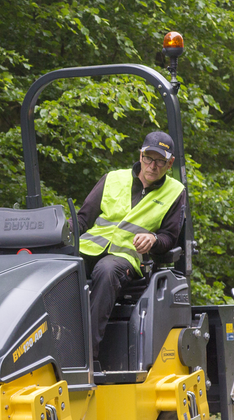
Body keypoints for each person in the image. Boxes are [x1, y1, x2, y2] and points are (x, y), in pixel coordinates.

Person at [76, 130, 186, 360]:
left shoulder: (175, 192)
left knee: (105, 271)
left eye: (160, 161)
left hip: (127, 260)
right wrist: (57, 232)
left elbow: (169, 237)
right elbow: (82, 219)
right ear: (140, 154)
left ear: (170, 163)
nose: (152, 166)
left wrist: (154, 240)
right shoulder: (113, 178)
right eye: (148, 158)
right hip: (89, 249)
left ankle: (86, 358)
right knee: (59, 268)